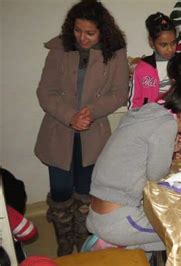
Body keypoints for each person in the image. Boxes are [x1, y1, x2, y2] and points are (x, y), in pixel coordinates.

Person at [34, 0, 129, 256]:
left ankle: (85, 241)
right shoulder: (59, 49)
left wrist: (92, 111)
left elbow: (119, 93)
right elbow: (45, 92)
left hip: (93, 132)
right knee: (61, 191)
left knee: (87, 191)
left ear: (103, 31)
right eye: (77, 31)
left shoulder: (116, 52)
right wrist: (70, 116)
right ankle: (65, 242)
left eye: (90, 33)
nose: (82, 38)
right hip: (59, 131)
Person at [86, 79, 181, 252]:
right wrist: (168, 149)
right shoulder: (168, 123)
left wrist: (168, 148)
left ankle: (122, 247)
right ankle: (115, 243)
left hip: (97, 212)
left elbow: (138, 154)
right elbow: (156, 175)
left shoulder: (146, 111)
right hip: (117, 219)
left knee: (164, 243)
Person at [128, 12, 181, 109]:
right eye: (163, 45)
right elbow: (134, 102)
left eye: (173, 43)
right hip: (149, 119)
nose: (170, 49)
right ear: (151, 42)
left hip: (177, 119)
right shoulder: (142, 68)